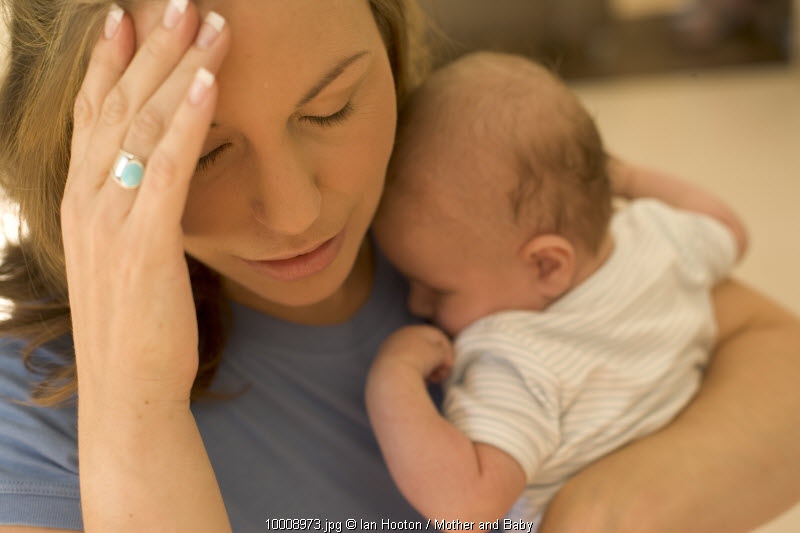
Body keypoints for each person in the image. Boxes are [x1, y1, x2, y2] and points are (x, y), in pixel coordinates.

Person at [0, 1, 797, 532]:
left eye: (331, 108)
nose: (296, 212)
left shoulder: (461, 192)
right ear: (80, 148)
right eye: (201, 154)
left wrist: (593, 512)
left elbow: (774, 358)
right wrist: (134, 407)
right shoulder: (27, 413)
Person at [366, 52, 749, 529]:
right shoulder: (660, 238)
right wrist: (627, 178)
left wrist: (393, 380)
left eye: (438, 290)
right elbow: (728, 228)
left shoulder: (517, 352)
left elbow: (467, 505)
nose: (415, 304)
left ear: (548, 265)